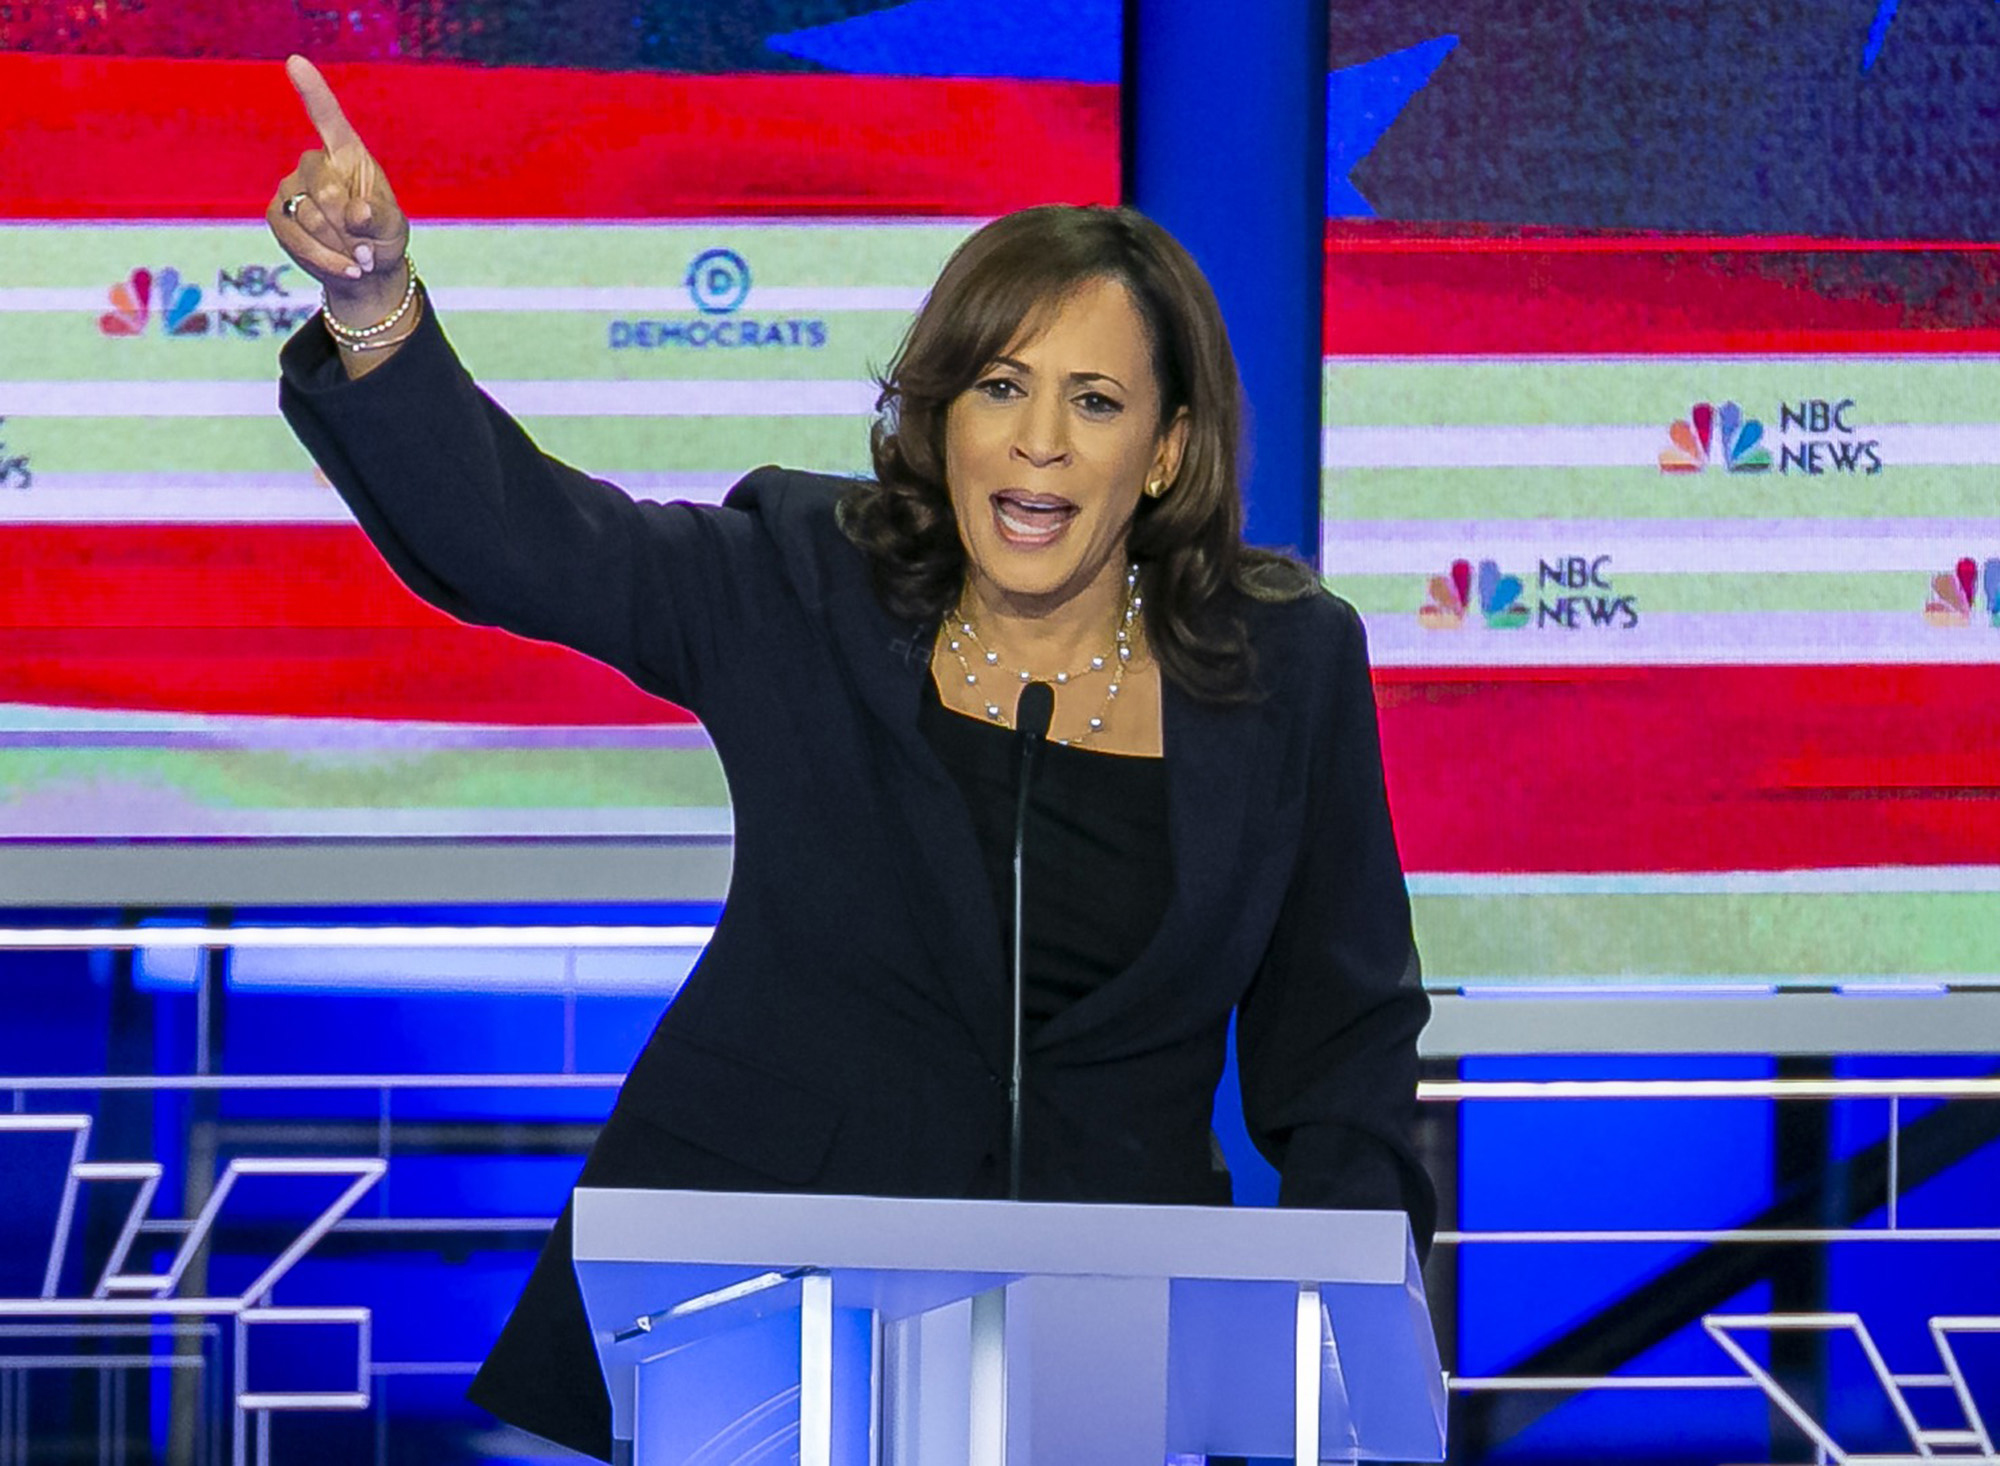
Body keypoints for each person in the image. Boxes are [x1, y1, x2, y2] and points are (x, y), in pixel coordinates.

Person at [268, 54, 1434, 1463]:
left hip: (1109, 1343)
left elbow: (1346, 1055)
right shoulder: (808, 585)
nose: (1039, 444)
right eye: (1001, 385)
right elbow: (523, 539)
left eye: (1097, 401)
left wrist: (1333, 1365)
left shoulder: (1285, 666)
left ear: (1170, 451)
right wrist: (375, 308)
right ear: (942, 415)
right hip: (758, 1316)